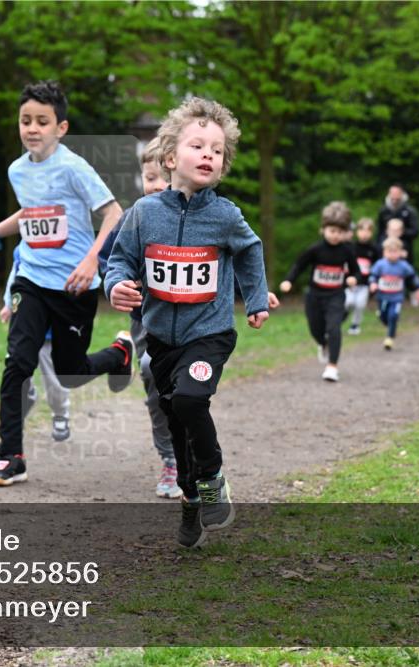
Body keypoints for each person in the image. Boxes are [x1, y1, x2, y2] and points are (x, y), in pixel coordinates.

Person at [105, 96, 270, 548]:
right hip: (160, 338)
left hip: (209, 335)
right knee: (175, 418)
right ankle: (191, 501)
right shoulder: (144, 214)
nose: (208, 156)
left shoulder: (225, 215)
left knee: (191, 400)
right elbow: (120, 261)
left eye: (217, 151)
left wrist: (255, 299)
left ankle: (213, 478)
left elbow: (250, 251)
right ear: (170, 158)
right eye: (198, 146)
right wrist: (116, 285)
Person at [0, 81, 133, 487]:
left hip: (74, 286)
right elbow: (29, 213)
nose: (32, 128)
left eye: (42, 121)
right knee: (17, 362)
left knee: (71, 371)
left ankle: (119, 353)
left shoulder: (74, 168)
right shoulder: (17, 170)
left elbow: (113, 213)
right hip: (31, 279)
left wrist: (93, 262)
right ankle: (10, 456)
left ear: (61, 127)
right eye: (25, 120)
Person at [97, 137, 180, 498]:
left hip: (195, 323)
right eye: (149, 177)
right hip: (147, 322)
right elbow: (109, 260)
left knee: (187, 392)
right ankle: (171, 459)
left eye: (165, 177)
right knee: (151, 374)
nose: (157, 185)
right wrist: (116, 284)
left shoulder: (199, 219)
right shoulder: (134, 218)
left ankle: (198, 454)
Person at [279, 202, 360, 382]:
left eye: (339, 232)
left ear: (345, 233)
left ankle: (332, 366)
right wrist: (288, 280)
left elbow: (356, 270)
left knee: (334, 328)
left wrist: (354, 278)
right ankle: (323, 344)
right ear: (323, 229)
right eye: (332, 231)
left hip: (336, 295)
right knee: (316, 330)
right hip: (314, 296)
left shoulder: (347, 251)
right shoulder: (315, 249)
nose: (335, 235)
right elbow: (299, 265)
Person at [0, 244, 71, 442]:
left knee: (54, 379)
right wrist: (8, 304)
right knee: (16, 368)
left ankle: (60, 413)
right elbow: (14, 278)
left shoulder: (66, 249)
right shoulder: (22, 249)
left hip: (51, 330)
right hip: (24, 323)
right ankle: (23, 401)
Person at [369, 238, 419, 350]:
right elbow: (373, 275)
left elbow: (413, 277)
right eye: (390, 251)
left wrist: (417, 289)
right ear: (384, 252)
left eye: (395, 251)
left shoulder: (404, 266)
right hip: (382, 296)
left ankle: (389, 338)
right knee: (384, 316)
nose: (392, 254)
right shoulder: (380, 264)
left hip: (396, 297)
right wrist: (373, 283)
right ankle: (387, 322)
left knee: (393, 316)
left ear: (400, 252)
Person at [346, 218, 379, 335]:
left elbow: (377, 267)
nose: (364, 234)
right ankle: (341, 318)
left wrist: (374, 282)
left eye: (368, 231)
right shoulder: (351, 247)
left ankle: (355, 324)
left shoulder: (374, 249)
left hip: (365, 283)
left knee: (360, 304)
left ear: (372, 232)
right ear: (357, 232)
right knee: (348, 302)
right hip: (351, 283)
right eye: (362, 230)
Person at [376, 184, 419, 264]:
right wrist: (380, 248)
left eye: (397, 193)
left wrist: (400, 232)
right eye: (392, 193)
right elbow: (379, 231)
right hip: (386, 248)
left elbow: (415, 231)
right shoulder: (383, 211)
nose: (394, 197)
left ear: (402, 194)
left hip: (404, 250)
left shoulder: (410, 211)